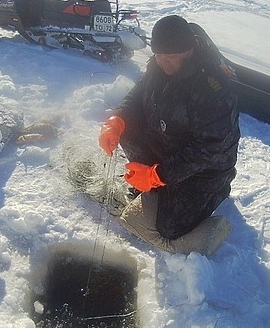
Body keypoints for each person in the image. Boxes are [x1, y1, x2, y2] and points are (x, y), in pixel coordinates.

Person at [98, 15, 240, 256]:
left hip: (206, 172)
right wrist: (117, 120)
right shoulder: (159, 65)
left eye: (170, 58)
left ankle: (212, 197)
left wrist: (157, 175)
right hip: (168, 145)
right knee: (127, 127)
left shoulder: (213, 87)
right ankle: (152, 185)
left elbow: (207, 150)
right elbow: (138, 96)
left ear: (188, 51)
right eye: (159, 56)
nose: (163, 63)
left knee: (168, 228)